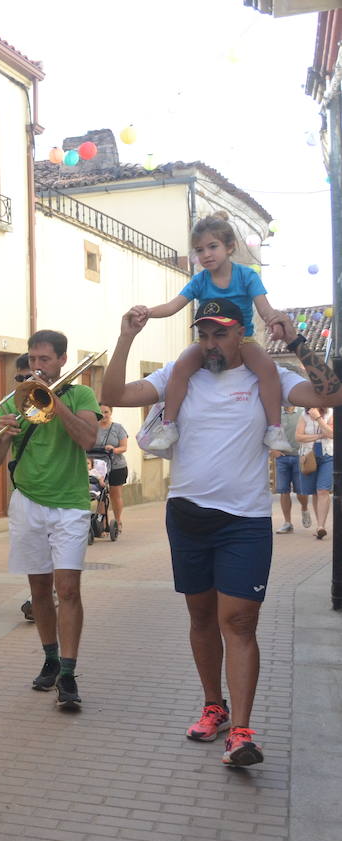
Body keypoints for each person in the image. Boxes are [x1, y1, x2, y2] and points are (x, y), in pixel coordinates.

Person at [102, 299, 342, 767]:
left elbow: (331, 396)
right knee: (201, 618)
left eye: (221, 333)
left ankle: (243, 732)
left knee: (240, 622)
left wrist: (297, 340)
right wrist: (127, 336)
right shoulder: (180, 374)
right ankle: (214, 706)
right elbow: (114, 392)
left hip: (244, 521)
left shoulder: (268, 377)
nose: (211, 343)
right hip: (187, 517)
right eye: (204, 334)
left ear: (241, 335)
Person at [0, 330, 100, 710]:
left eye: (45, 360)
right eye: (33, 359)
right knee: (39, 590)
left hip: (68, 504)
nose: (37, 366)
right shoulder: (16, 398)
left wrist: (53, 400)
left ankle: (68, 672)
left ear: (62, 360)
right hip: (28, 502)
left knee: (68, 589)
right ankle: (50, 659)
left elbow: (87, 438)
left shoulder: (81, 395)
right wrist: (5, 433)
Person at [135, 212, 292, 452]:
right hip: (208, 340)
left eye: (212, 247)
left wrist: (274, 322)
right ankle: (168, 425)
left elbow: (264, 308)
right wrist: (147, 312)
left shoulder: (246, 276)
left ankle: (274, 428)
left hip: (243, 339)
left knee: (268, 369)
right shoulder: (199, 281)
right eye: (199, 250)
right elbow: (173, 306)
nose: (206, 254)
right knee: (180, 367)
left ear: (230, 247)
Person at [297, 407, 334, 540]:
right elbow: (298, 436)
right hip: (308, 455)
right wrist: (319, 436)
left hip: (328, 454)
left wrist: (318, 418)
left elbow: (332, 434)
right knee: (314, 492)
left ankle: (321, 526)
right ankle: (319, 525)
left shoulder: (331, 413)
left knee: (323, 490)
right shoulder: (304, 415)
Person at [272, 404, 309, 533]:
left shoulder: (302, 412)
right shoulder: (277, 414)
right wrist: (273, 449)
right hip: (282, 458)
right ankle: (287, 523)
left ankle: (304, 508)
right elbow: (270, 432)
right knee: (284, 490)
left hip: (299, 457)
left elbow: (309, 431)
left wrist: (306, 453)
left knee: (301, 491)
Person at [93, 405, 129, 535]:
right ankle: (102, 524)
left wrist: (114, 449)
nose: (103, 415)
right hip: (99, 467)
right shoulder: (93, 428)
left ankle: (117, 522)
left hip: (116, 466)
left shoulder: (117, 428)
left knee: (115, 494)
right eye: (101, 412)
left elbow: (124, 447)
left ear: (111, 413)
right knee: (101, 496)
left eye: (106, 412)